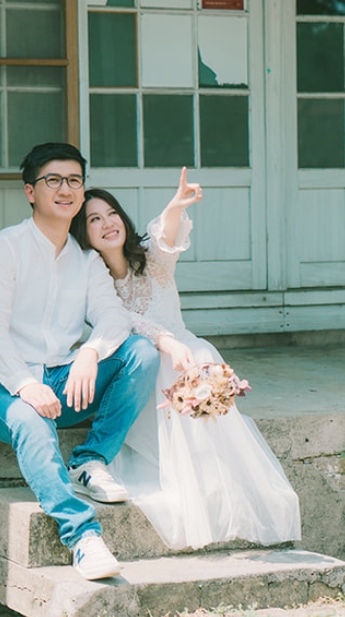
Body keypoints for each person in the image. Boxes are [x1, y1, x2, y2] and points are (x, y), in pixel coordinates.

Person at [0, 142, 159, 580]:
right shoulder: (4, 248)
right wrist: (26, 386)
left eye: (74, 181)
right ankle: (82, 536)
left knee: (141, 354)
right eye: (53, 180)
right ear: (31, 191)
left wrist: (89, 352)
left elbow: (112, 317)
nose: (65, 189)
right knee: (30, 419)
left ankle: (89, 460)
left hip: (61, 378)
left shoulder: (86, 261)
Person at [71, 168, 302, 550]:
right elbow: (123, 320)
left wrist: (175, 205)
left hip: (189, 353)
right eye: (94, 219)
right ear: (84, 234)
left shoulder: (152, 260)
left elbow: (166, 237)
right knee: (161, 358)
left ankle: (215, 479)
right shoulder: (93, 283)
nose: (107, 223)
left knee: (199, 355)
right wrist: (167, 345)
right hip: (143, 369)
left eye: (112, 213)